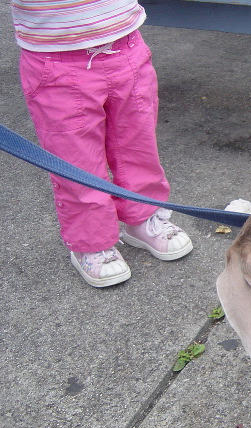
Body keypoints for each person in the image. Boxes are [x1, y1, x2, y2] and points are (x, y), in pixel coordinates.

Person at [11, 0, 192, 288]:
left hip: (125, 43)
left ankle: (143, 218)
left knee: (138, 145)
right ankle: (91, 241)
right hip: (54, 57)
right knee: (76, 160)